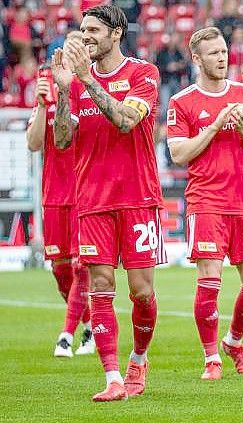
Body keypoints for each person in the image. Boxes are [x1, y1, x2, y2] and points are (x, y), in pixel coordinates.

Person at [52, 4, 164, 402]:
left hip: (138, 197)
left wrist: (84, 79)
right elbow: (63, 139)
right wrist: (65, 91)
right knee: (100, 287)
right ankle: (114, 377)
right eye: (83, 30)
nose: (86, 37)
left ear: (116, 33)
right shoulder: (76, 81)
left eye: (95, 30)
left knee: (142, 293)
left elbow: (125, 120)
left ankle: (138, 358)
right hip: (93, 201)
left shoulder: (143, 73)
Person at [166, 27, 243, 381]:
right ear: (196, 58)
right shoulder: (182, 101)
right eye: (213, 53)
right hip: (206, 201)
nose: (221, 58)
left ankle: (235, 341)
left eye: (223, 51)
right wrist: (212, 128)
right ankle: (211, 357)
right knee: (209, 278)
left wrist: (241, 128)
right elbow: (179, 153)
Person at [26, 31, 94, 359]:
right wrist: (41, 106)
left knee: (82, 267)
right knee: (62, 273)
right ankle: (92, 325)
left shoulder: (90, 86)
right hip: (54, 192)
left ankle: (66, 335)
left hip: (86, 191)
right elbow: (34, 143)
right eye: (69, 49)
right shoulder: (46, 86)